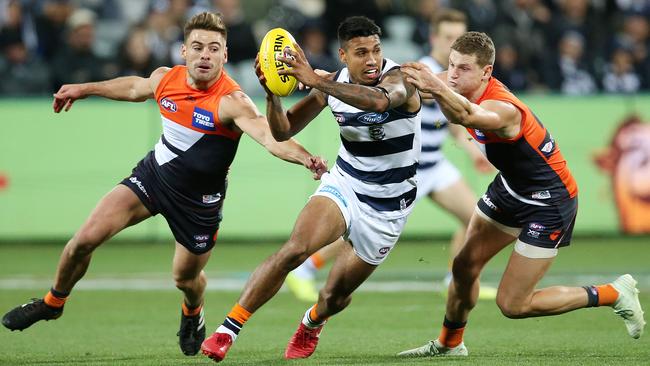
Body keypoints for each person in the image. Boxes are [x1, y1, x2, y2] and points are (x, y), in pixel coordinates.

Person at [1, 12, 327, 357]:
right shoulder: (166, 78)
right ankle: (54, 302)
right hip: (153, 177)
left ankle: (192, 309)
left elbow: (270, 137)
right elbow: (132, 87)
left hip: (198, 203)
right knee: (83, 240)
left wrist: (305, 157)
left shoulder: (232, 102)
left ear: (225, 55)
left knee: (185, 280)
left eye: (214, 48)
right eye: (198, 47)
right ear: (183, 51)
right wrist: (85, 88)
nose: (205, 54)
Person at [397, 31, 646, 357]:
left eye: (464, 69)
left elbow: (467, 115)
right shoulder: (457, 81)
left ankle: (612, 292)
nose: (453, 74)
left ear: (486, 72)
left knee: (513, 304)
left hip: (549, 202)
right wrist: (336, 82)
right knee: (463, 266)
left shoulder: (503, 108)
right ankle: (449, 345)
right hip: (511, 188)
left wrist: (436, 85)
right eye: (451, 65)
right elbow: (407, 85)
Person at [200, 16, 421, 362]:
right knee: (295, 249)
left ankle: (312, 321)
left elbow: (379, 102)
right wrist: (273, 94)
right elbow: (283, 131)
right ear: (343, 56)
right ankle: (228, 329)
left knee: (335, 295)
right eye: (361, 53)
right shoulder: (330, 85)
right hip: (346, 185)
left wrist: (316, 80)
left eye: (376, 50)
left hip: (389, 207)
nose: (372, 60)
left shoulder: (400, 80)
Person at [285, 8, 497, 303]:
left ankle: (456, 279)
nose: (453, 46)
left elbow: (452, 121)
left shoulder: (452, 74)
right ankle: (307, 268)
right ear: (434, 37)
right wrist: (329, 80)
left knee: (475, 218)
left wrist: (472, 149)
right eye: (448, 37)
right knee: (357, 226)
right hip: (405, 167)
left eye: (457, 39)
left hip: (435, 163)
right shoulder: (416, 70)